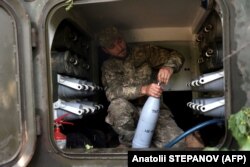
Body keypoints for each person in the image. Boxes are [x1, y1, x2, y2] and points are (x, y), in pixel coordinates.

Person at [97, 26, 203, 148]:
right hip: (129, 112)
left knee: (178, 145)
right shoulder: (108, 66)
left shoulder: (144, 52)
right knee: (117, 107)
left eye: (119, 41)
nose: (119, 47)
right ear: (105, 50)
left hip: (156, 111)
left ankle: (152, 143)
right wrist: (143, 89)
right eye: (112, 46)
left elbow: (176, 55)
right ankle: (130, 144)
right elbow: (112, 93)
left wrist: (169, 67)